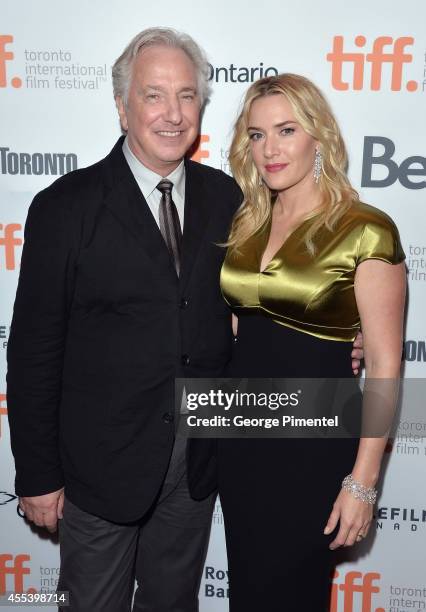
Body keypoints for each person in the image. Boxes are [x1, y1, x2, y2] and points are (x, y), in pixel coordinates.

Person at [6, 29, 363, 611]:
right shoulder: (64, 206)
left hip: (197, 464)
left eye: (188, 96)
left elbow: (285, 284)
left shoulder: (232, 200)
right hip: (101, 466)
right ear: (122, 107)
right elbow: (32, 352)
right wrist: (38, 475)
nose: (173, 114)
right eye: (154, 95)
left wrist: (350, 329)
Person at [190, 74, 406, 610]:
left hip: (313, 446)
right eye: (258, 134)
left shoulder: (365, 229)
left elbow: (383, 363)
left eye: (286, 130)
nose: (270, 149)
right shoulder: (246, 222)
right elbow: (242, 328)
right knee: (249, 588)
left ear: (319, 136)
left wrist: (362, 481)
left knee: (293, 592)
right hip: (242, 441)